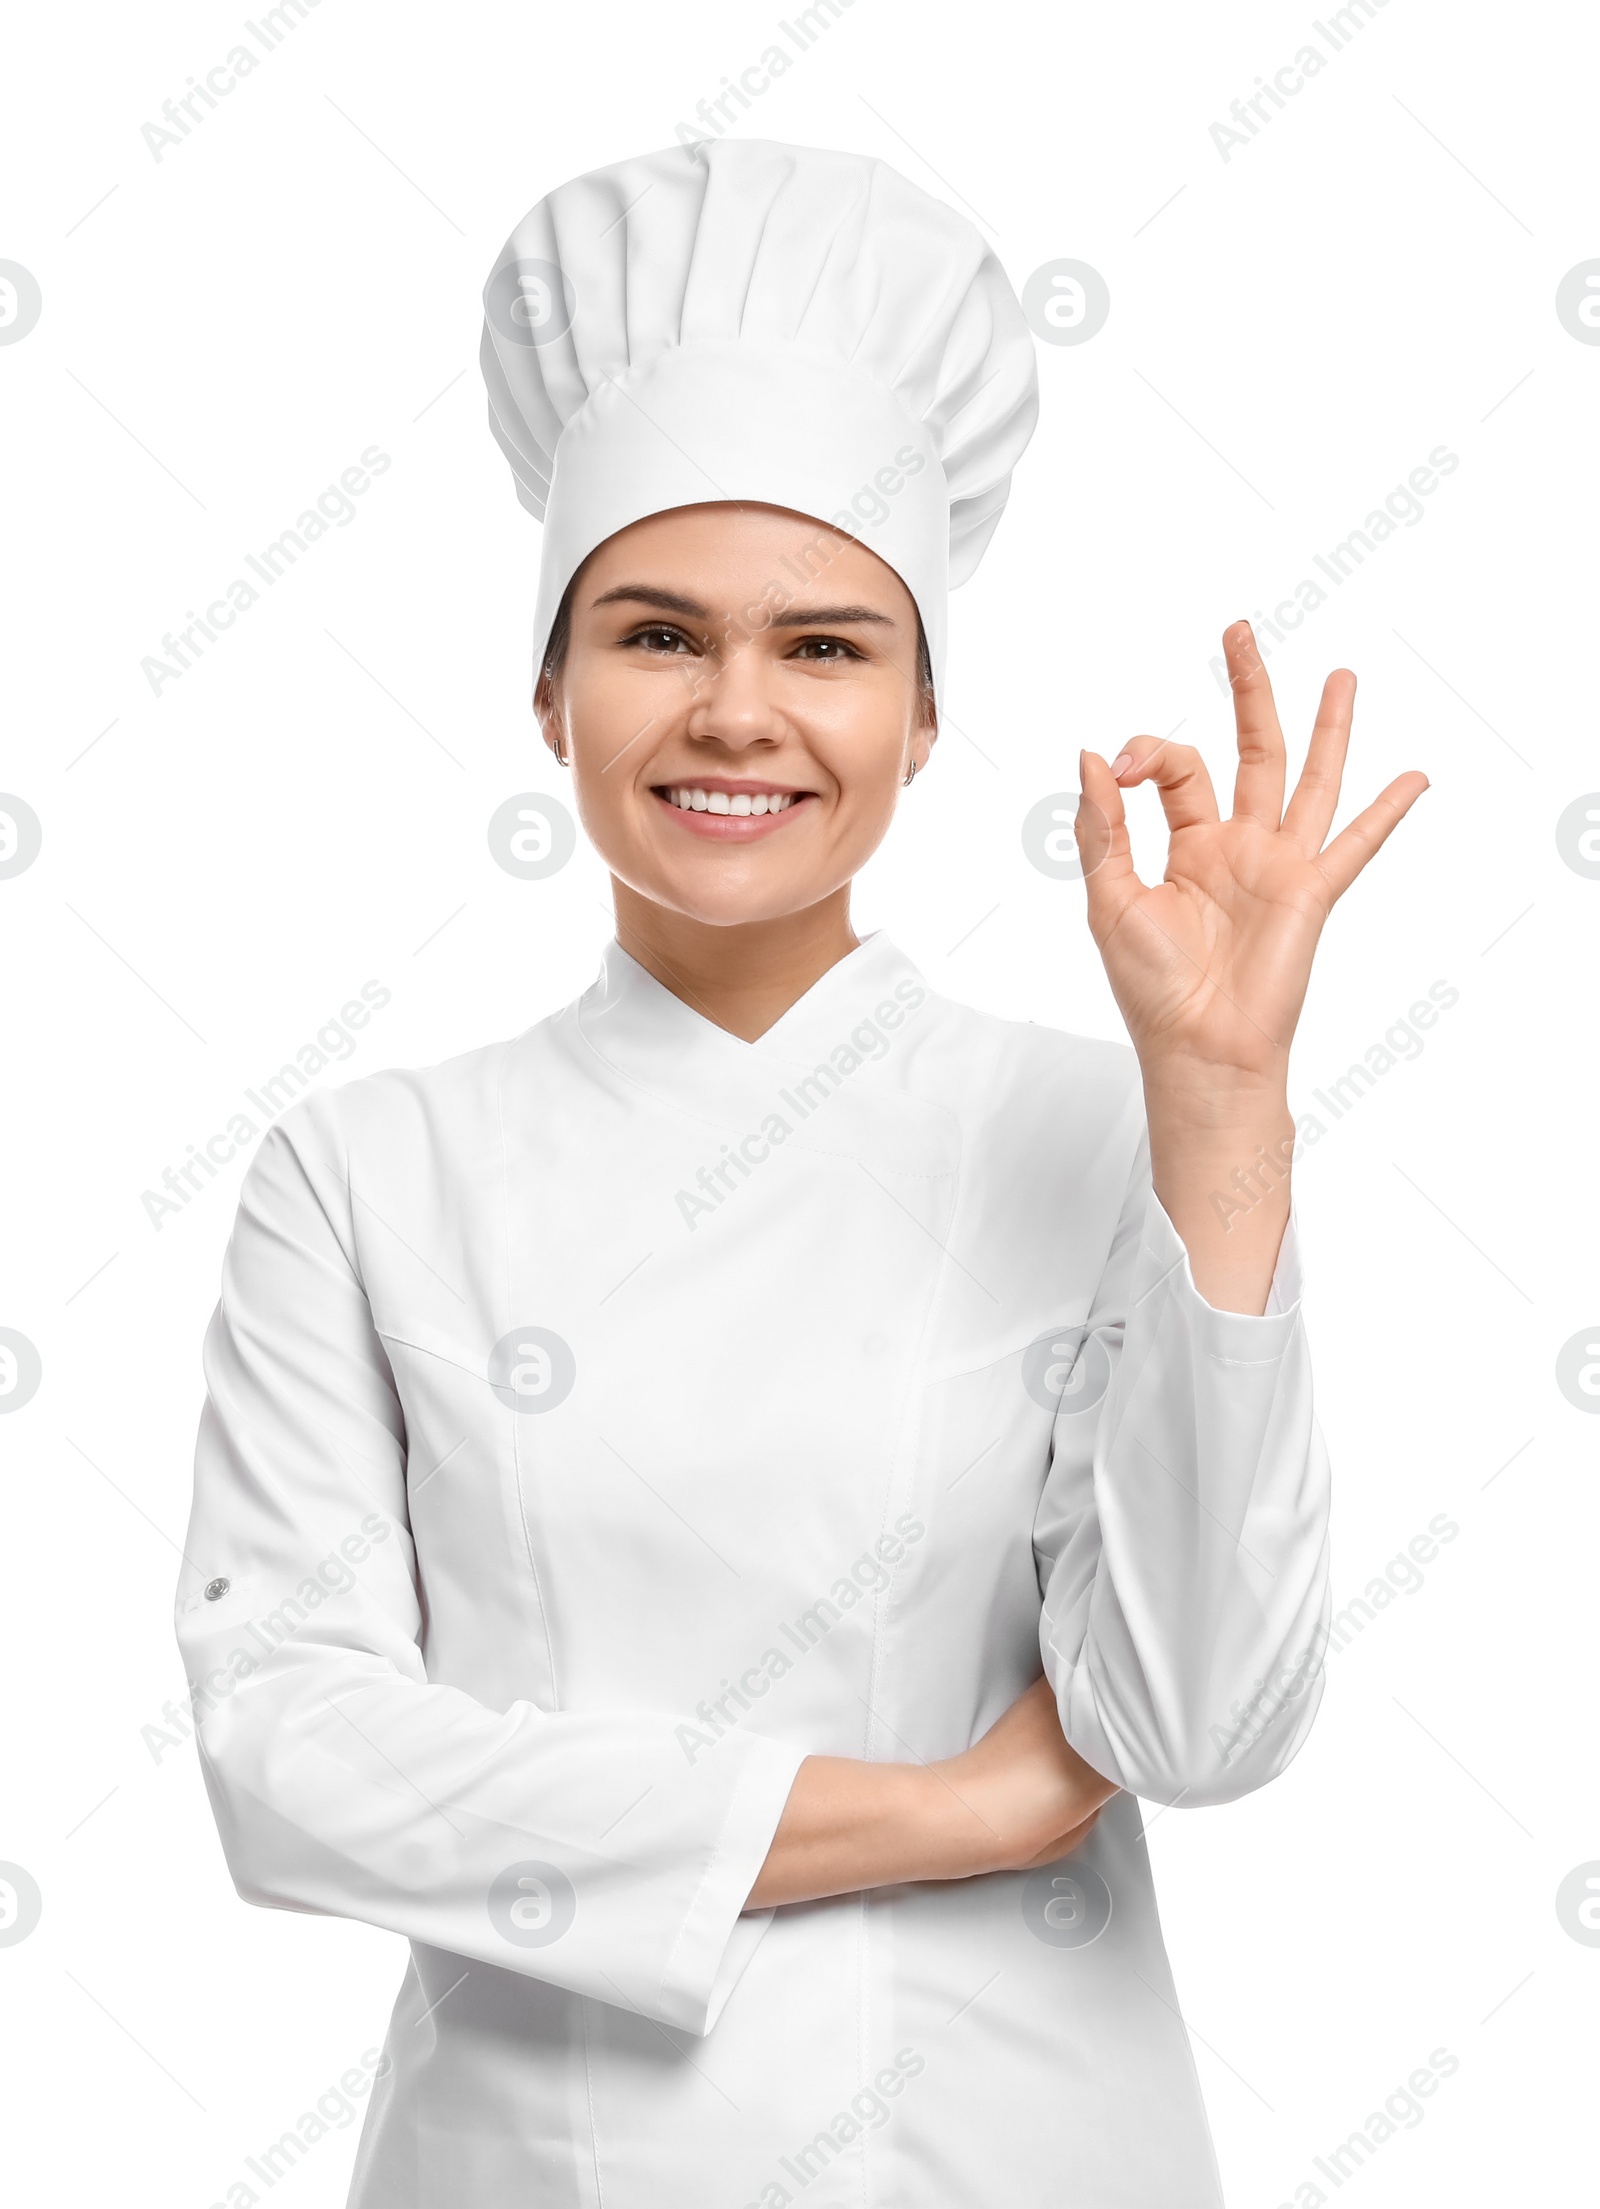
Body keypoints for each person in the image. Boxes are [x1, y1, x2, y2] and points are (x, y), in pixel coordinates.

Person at [177, 139, 1426, 2207]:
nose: (737, 712)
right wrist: (944, 1808)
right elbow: (293, 1763)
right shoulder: (366, 1170)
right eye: (658, 633)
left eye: (828, 647)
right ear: (549, 691)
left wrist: (1218, 1091)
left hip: (1022, 2149)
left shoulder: (1094, 1125)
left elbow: (1196, 1727)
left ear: (926, 719)